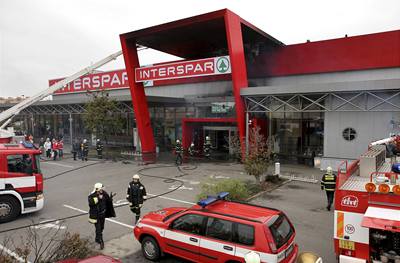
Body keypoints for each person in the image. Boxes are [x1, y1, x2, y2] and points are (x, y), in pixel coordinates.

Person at [88, 183, 115, 250]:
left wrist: (110, 198)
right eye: (101, 189)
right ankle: (101, 242)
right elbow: (91, 203)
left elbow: (107, 201)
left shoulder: (104, 193)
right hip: (96, 215)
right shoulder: (91, 196)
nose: (102, 190)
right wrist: (98, 198)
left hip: (103, 214)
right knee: (98, 228)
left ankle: (97, 238)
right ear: (97, 189)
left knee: (102, 228)